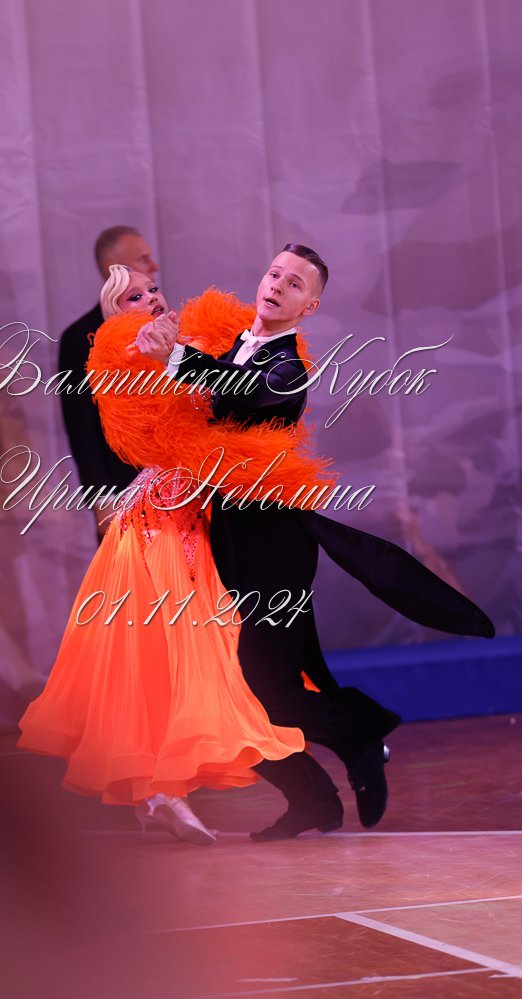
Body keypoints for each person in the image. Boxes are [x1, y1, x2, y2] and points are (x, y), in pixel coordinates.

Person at [113, 243, 495, 841]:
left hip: (273, 543)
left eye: (294, 284)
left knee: (257, 688)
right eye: (274, 274)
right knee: (256, 686)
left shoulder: (288, 366)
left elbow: (240, 391)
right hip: (224, 535)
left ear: (309, 306)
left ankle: (359, 730)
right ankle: (319, 792)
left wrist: (177, 358)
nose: (277, 286)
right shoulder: (231, 345)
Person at [19, 265, 313, 845]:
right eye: (135, 296)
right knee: (172, 651)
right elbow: (166, 432)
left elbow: (227, 395)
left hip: (183, 510)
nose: (151, 298)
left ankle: (157, 793)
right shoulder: (129, 357)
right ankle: (160, 791)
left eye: (152, 289)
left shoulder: (185, 344)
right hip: (163, 517)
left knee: (170, 653)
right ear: (116, 311)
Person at [58, 226, 160, 540]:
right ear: (112, 270)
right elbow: (81, 427)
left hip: (175, 481)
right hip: (122, 484)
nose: (153, 265)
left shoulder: (165, 329)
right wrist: (102, 498)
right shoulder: (81, 337)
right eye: (143, 259)